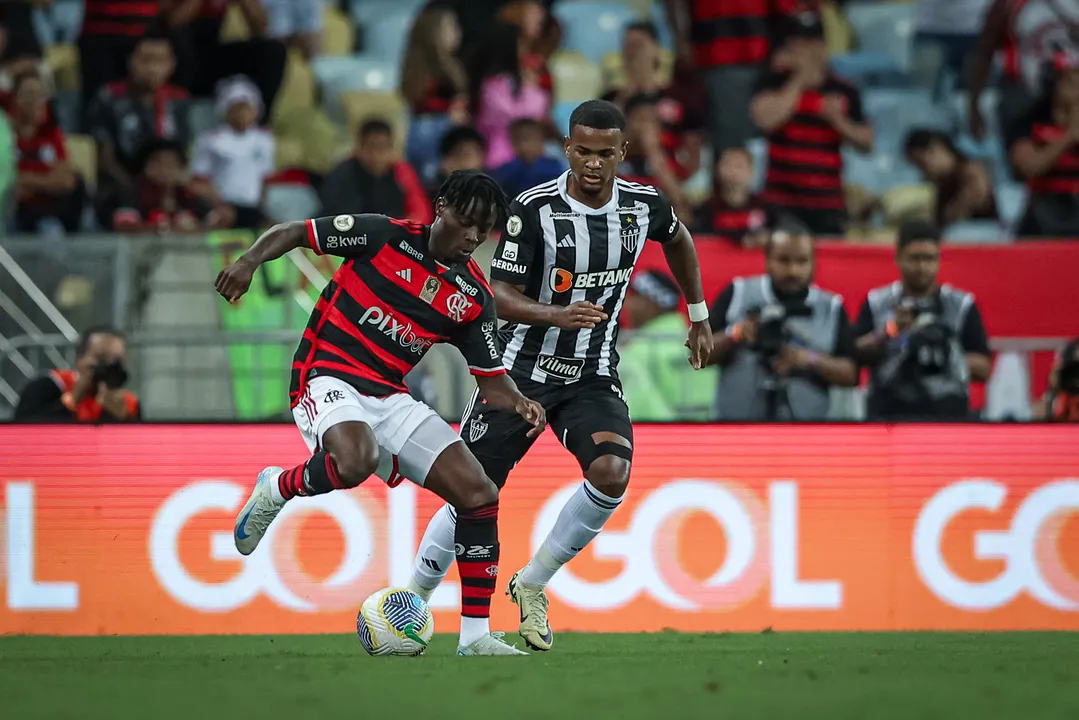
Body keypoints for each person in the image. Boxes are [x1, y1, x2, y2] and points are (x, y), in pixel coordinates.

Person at [404, 100, 713, 652]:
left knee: (612, 472)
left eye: (606, 153)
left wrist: (697, 315)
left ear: (623, 152)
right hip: (519, 374)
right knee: (474, 492)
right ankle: (412, 601)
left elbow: (680, 240)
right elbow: (495, 293)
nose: (594, 164)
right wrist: (556, 314)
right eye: (584, 152)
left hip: (593, 373)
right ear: (567, 149)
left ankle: (533, 583)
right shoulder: (533, 210)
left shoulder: (644, 204)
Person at [214, 170, 545, 657]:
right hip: (326, 372)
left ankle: (474, 637)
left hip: (388, 394)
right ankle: (278, 487)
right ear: (442, 207)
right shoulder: (383, 235)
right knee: (354, 460)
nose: (474, 237)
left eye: (484, 229)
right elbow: (293, 233)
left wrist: (519, 401)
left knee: (478, 493)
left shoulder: (474, 297)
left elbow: (490, 379)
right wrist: (248, 262)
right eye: (467, 222)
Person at [706, 217, 858, 421]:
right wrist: (735, 334)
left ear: (813, 263)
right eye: (784, 260)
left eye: (802, 261)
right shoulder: (738, 293)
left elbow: (851, 374)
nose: (792, 271)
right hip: (737, 431)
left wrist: (807, 359)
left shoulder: (830, 307)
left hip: (808, 435)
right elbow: (700, 355)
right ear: (767, 259)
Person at [855, 220, 992, 421]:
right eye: (914, 258)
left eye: (929, 258)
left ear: (939, 260)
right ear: (898, 257)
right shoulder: (877, 303)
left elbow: (984, 368)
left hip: (949, 416)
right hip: (889, 416)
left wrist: (943, 349)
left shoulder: (961, 305)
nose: (922, 267)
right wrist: (892, 331)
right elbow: (855, 355)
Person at [751, 12, 872, 236]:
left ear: (823, 47)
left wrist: (838, 120)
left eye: (810, 43)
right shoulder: (773, 82)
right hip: (781, 202)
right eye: (797, 44)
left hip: (827, 202)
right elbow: (765, 120)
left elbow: (866, 143)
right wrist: (798, 82)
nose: (804, 50)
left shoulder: (844, 90)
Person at [619, 270, 718, 420]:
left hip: (664, 437)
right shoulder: (702, 343)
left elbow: (641, 411)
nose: (627, 304)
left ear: (650, 302)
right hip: (712, 433)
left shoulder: (638, 352)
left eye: (633, 297)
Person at [14, 326, 140, 422]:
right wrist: (72, 401)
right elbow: (23, 434)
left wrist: (124, 419)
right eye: (100, 358)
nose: (108, 366)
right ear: (80, 359)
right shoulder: (50, 385)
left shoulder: (129, 403)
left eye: (116, 361)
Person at [903, 128, 998, 229]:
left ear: (935, 149)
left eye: (922, 164)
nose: (923, 172)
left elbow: (979, 200)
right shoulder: (941, 184)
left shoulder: (973, 170)